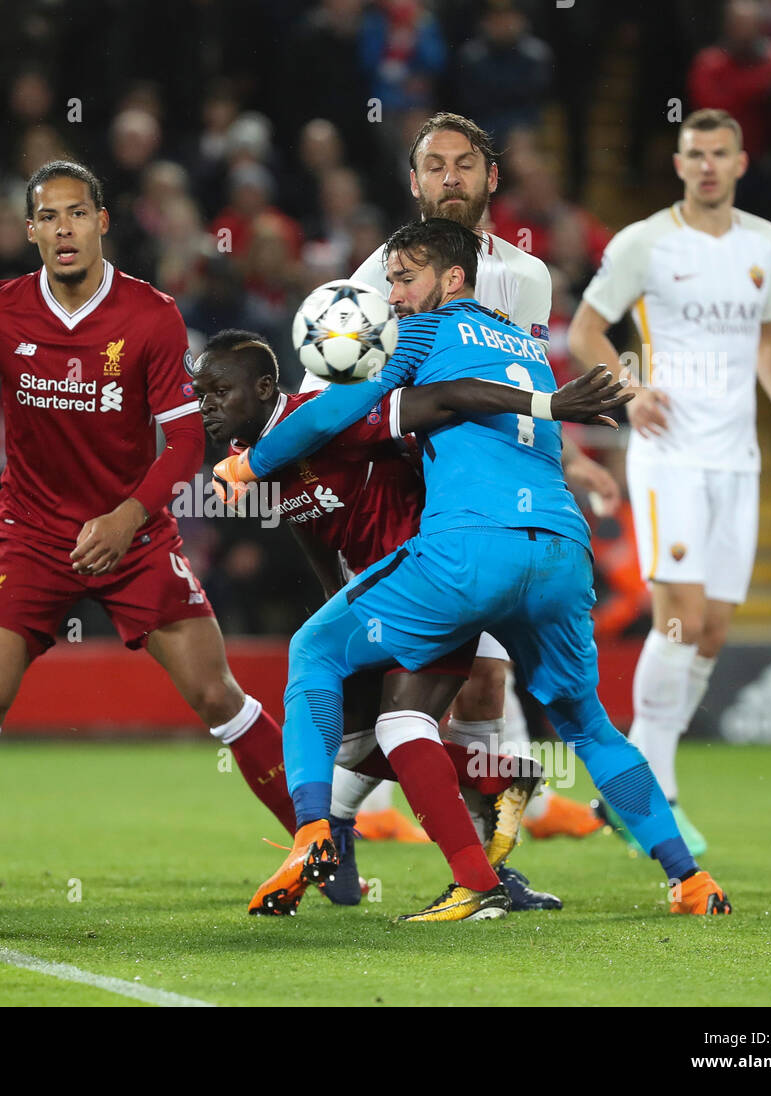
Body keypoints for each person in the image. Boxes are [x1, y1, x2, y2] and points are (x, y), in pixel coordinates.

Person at [216, 217, 732, 920]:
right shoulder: (524, 342)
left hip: (467, 552)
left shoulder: (425, 334)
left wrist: (252, 462)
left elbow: (338, 409)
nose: (392, 294)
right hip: (558, 553)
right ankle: (689, 879)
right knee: (588, 727)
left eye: (404, 277)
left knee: (315, 649)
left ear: (451, 278)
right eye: (390, 279)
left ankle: (314, 829)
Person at [0, 161, 293, 900]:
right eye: (49, 216)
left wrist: (128, 516)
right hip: (31, 533)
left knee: (216, 694)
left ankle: (321, 847)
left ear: (103, 222)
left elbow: (185, 444)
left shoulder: (150, 316)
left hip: (134, 536)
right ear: (31, 228)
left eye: (78, 214)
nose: (64, 228)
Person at [194, 329, 629, 910]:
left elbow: (444, 398)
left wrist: (547, 407)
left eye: (219, 391)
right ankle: (490, 783)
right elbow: (311, 527)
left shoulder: (331, 418)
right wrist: (338, 597)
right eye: (200, 396)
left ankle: (460, 872)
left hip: (434, 580)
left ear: (266, 385)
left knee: (399, 722)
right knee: (350, 744)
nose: (207, 409)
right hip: (381, 598)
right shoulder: (257, 461)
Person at [313, 111, 609, 855]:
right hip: (405, 499)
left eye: (465, 164)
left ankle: (424, 842)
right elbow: (337, 403)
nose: (451, 177)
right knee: (411, 687)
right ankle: (351, 823)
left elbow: (527, 393)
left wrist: (567, 465)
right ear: (413, 182)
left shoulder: (530, 276)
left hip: (492, 502)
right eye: (435, 165)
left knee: (477, 686)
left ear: (491, 178)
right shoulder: (371, 282)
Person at [567, 108, 771, 853]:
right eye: (696, 154)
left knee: (711, 630)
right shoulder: (645, 243)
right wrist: (629, 386)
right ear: (681, 164)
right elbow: (587, 328)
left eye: (721, 153)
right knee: (678, 615)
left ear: (741, 163)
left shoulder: (766, 243)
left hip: (738, 459)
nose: (709, 165)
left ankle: (640, 780)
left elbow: (768, 334)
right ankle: (651, 793)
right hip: (670, 452)